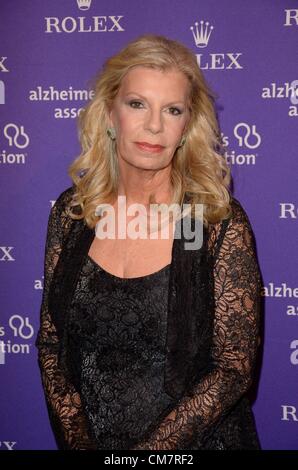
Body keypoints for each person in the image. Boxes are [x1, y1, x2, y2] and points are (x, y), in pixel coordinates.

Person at [35, 34, 262, 450]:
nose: (154, 125)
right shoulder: (74, 214)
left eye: (172, 110)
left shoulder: (211, 222)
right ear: (109, 113)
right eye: (137, 104)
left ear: (186, 127)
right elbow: (51, 345)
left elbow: (232, 370)